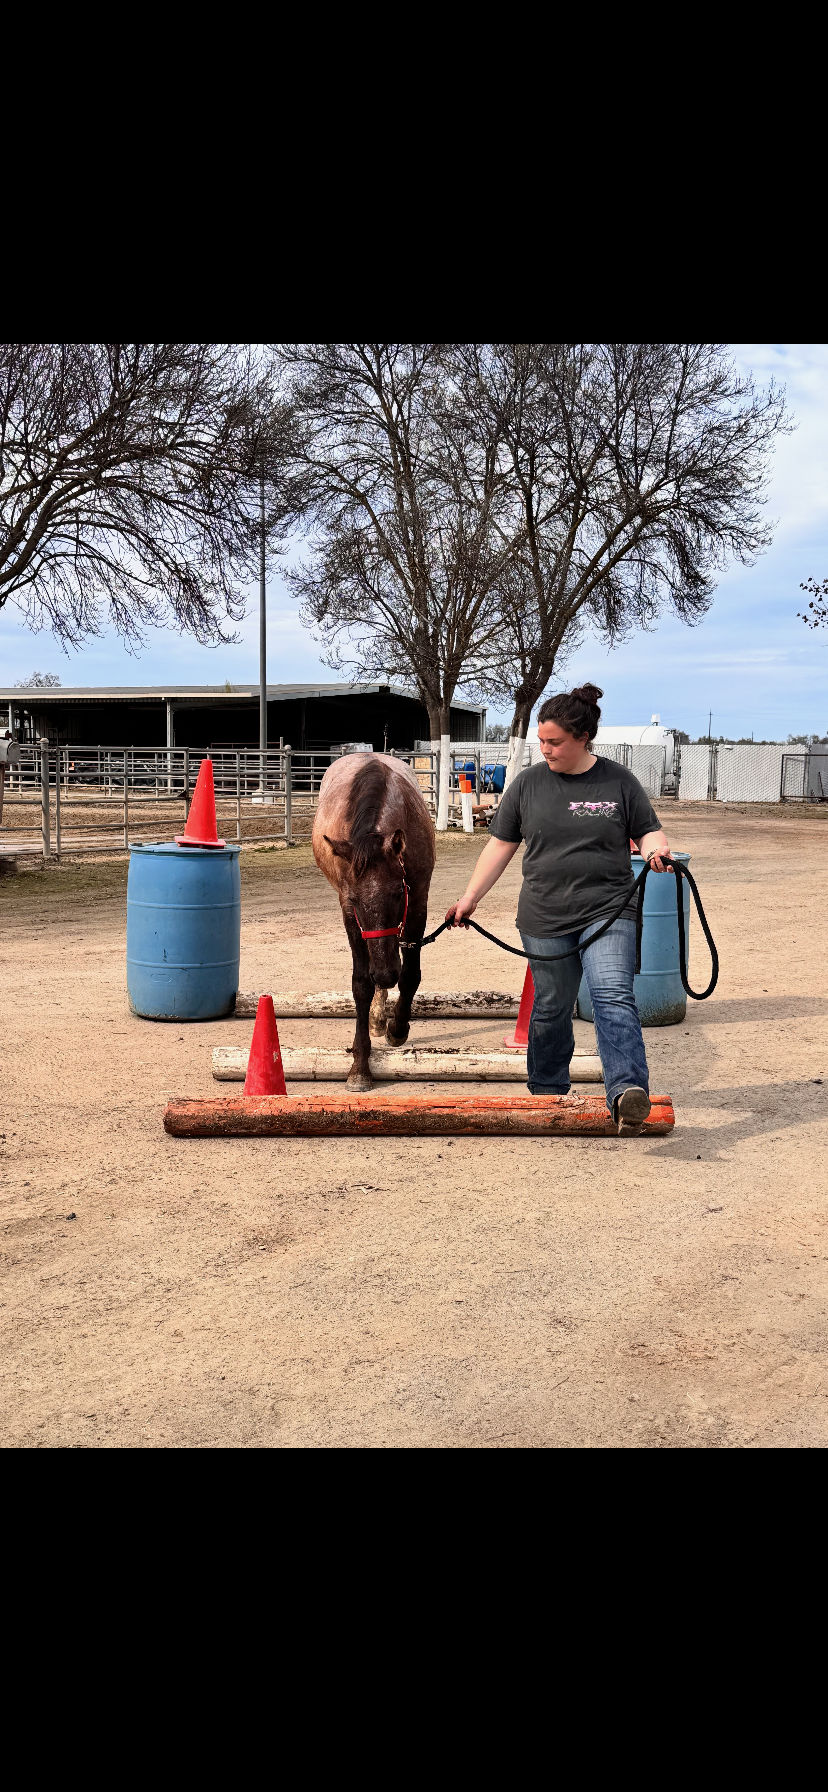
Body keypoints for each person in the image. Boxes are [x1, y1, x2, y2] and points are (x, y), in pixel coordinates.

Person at [444, 684, 674, 1135]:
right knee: (552, 1005)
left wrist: (655, 850)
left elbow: (648, 830)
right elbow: (500, 846)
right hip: (545, 915)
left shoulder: (618, 781)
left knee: (612, 996)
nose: (545, 750)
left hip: (610, 910)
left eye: (555, 742)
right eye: (541, 741)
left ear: (584, 737)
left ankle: (627, 1091)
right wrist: (470, 898)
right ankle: (548, 1091)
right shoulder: (528, 784)